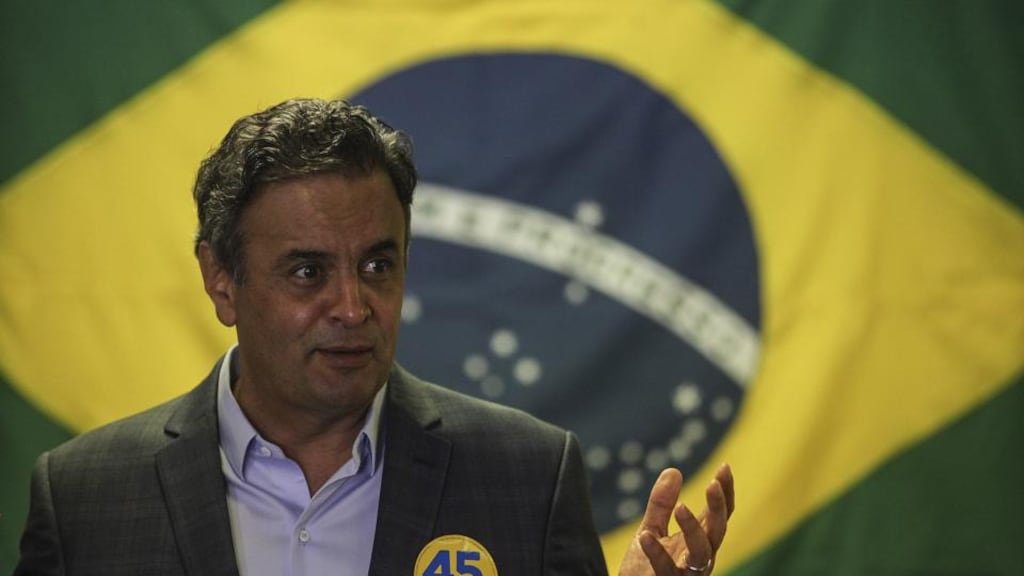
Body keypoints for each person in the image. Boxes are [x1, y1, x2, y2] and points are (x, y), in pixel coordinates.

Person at [15, 98, 734, 575]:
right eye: (308, 272)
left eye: (377, 266)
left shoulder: (529, 477)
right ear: (221, 280)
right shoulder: (85, 498)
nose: (353, 306)